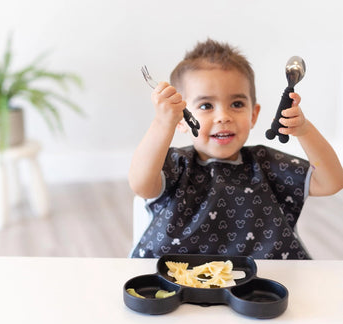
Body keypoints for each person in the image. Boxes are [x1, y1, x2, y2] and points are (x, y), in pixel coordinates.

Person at [128, 38, 343, 259]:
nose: (223, 117)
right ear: (181, 119)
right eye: (206, 106)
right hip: (179, 282)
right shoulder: (176, 165)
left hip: (265, 284)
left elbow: (331, 182)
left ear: (253, 114)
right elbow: (141, 184)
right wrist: (163, 123)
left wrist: (305, 131)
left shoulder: (267, 164)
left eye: (237, 104)